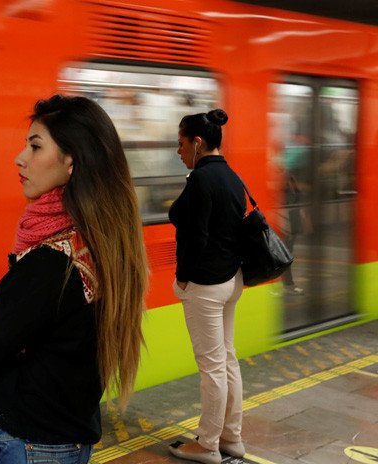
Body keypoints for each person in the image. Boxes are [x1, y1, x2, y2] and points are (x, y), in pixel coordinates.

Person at [0, 95, 149, 464]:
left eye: (35, 146)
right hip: (63, 432)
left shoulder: (54, 261)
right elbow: (32, 317)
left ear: (71, 160)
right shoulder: (98, 240)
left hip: (24, 441)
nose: (20, 158)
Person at [167, 110, 246, 464]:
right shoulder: (231, 175)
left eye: (181, 144)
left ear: (197, 143)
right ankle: (231, 438)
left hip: (207, 284)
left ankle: (208, 444)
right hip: (231, 279)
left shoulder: (200, 180)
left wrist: (183, 275)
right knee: (227, 360)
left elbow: (194, 234)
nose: (178, 151)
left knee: (212, 368)